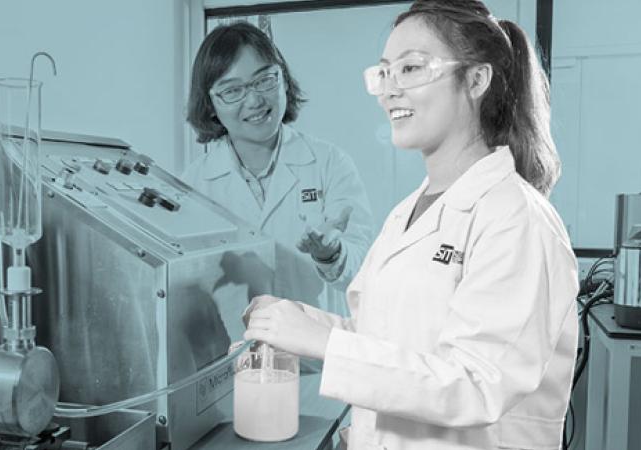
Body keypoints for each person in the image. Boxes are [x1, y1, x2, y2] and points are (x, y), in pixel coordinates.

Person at [243, 1, 579, 449]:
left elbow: (476, 385)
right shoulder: (407, 213)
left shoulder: (516, 218)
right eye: (384, 73)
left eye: (411, 68)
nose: (389, 90)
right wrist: (299, 323)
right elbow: (384, 340)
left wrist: (323, 342)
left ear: (476, 80)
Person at [183, 22, 375, 316]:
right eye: (232, 90)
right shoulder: (194, 184)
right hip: (233, 340)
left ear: (283, 79)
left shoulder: (330, 163)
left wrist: (331, 255)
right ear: (210, 104)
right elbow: (186, 285)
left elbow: (363, 273)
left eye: (264, 80)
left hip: (314, 339)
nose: (254, 100)